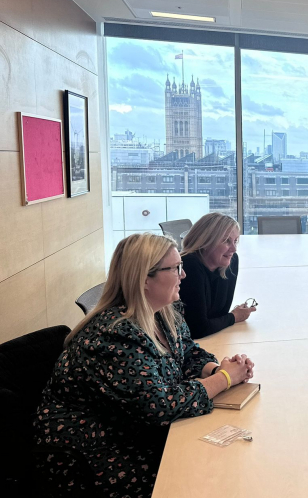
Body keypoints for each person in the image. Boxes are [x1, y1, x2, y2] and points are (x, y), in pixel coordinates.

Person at [34, 233, 255, 498]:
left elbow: (186, 350)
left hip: (132, 432)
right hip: (100, 456)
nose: (183, 275)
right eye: (175, 268)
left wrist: (216, 369)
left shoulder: (163, 312)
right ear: (144, 279)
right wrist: (224, 380)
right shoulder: (114, 336)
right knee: (207, 477)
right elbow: (161, 408)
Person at [179, 213, 256, 338]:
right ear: (205, 242)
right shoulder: (189, 266)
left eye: (235, 241)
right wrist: (234, 317)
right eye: (226, 241)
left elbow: (219, 314)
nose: (234, 249)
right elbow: (197, 328)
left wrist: (228, 318)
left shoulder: (231, 261)